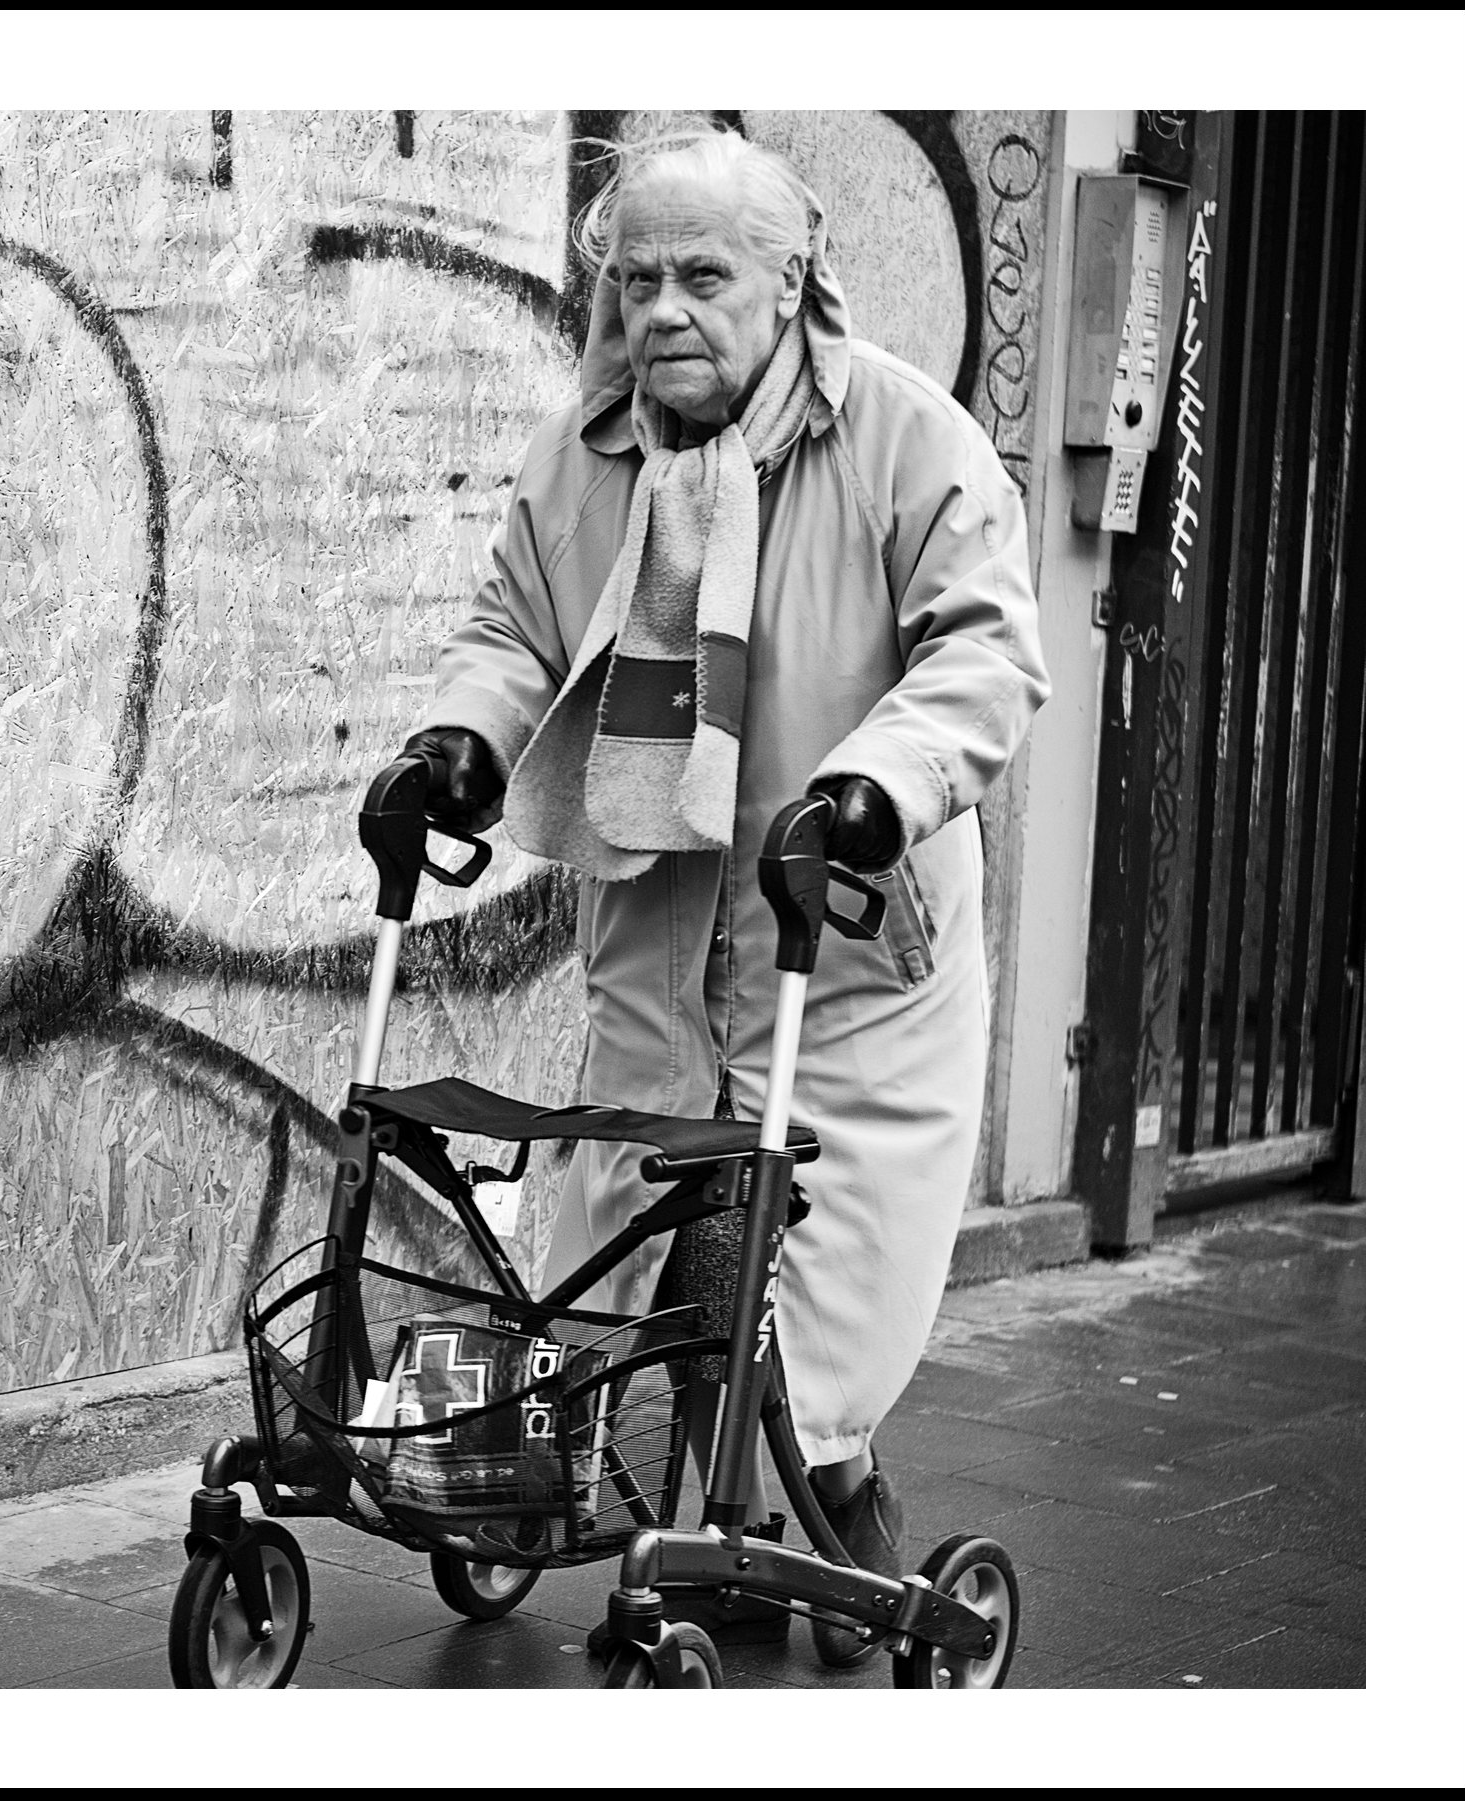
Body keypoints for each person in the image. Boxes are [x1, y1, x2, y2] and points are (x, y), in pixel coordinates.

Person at [403, 129, 1049, 1665]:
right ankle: (711, 1532)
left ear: (792, 279)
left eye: (703, 276)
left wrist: (882, 778)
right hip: (658, 936)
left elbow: (984, 649)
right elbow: (514, 631)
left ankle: (834, 1504)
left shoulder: (908, 438)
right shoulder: (586, 454)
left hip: (842, 940)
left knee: (815, 1289)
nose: (663, 312)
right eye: (636, 281)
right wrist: (464, 737)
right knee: (652, 1254)